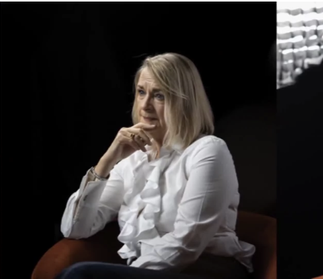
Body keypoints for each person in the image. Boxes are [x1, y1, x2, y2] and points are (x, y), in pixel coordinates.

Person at [57, 53, 256, 279]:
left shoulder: (208, 150)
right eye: (141, 92)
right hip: (148, 273)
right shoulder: (132, 161)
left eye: (159, 95)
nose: (145, 105)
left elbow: (187, 242)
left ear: (184, 102)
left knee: (81, 275)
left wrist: (126, 274)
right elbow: (74, 229)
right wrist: (107, 161)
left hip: (207, 270)